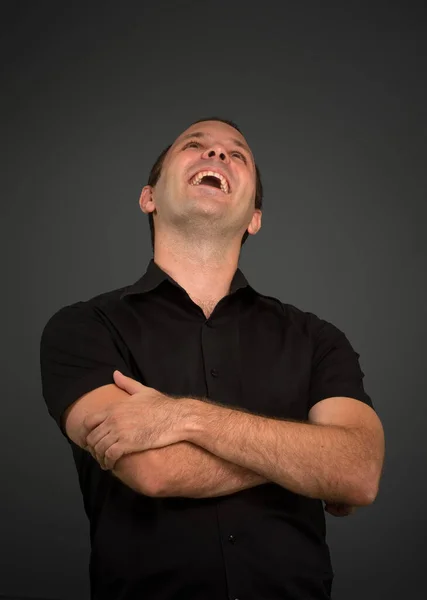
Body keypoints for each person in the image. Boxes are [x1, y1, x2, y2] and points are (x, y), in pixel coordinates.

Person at [40, 117, 385, 600]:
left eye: (236, 154)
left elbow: (359, 472)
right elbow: (152, 469)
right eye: (195, 145)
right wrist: (309, 461)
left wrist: (181, 416)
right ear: (150, 197)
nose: (217, 155)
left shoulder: (316, 338)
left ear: (255, 218)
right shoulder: (84, 327)